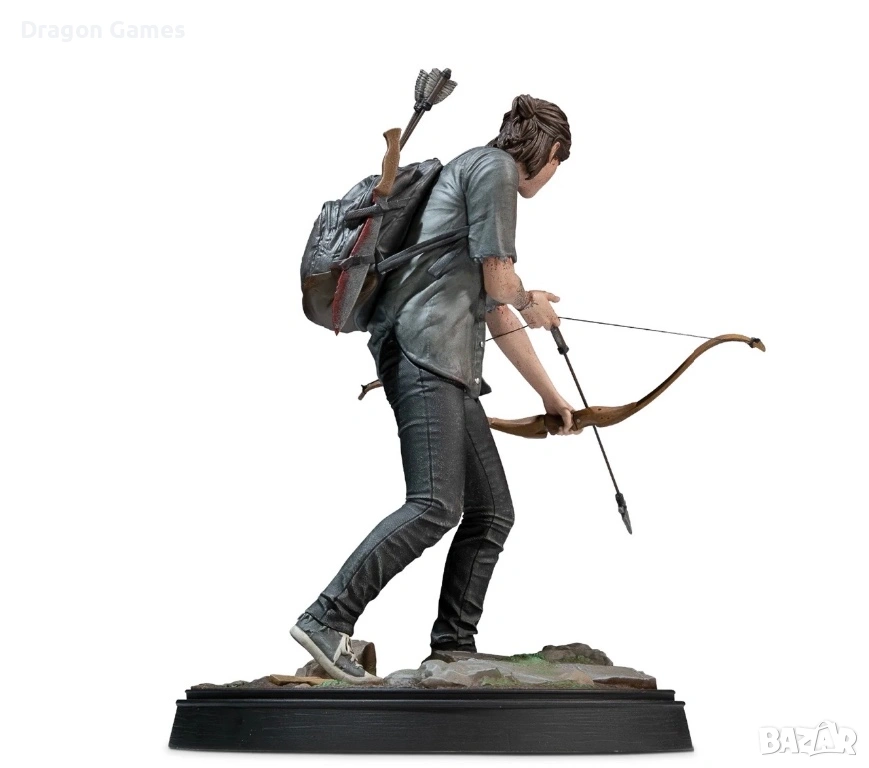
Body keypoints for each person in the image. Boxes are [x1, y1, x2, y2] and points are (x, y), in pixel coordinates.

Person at [291, 94, 580, 682]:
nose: (553, 176)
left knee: (491, 512)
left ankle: (453, 647)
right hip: (423, 353)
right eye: (559, 164)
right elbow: (502, 285)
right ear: (550, 151)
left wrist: (550, 397)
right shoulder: (495, 169)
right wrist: (531, 299)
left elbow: (493, 312)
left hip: (446, 362)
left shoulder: (474, 170)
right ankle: (326, 618)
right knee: (435, 504)